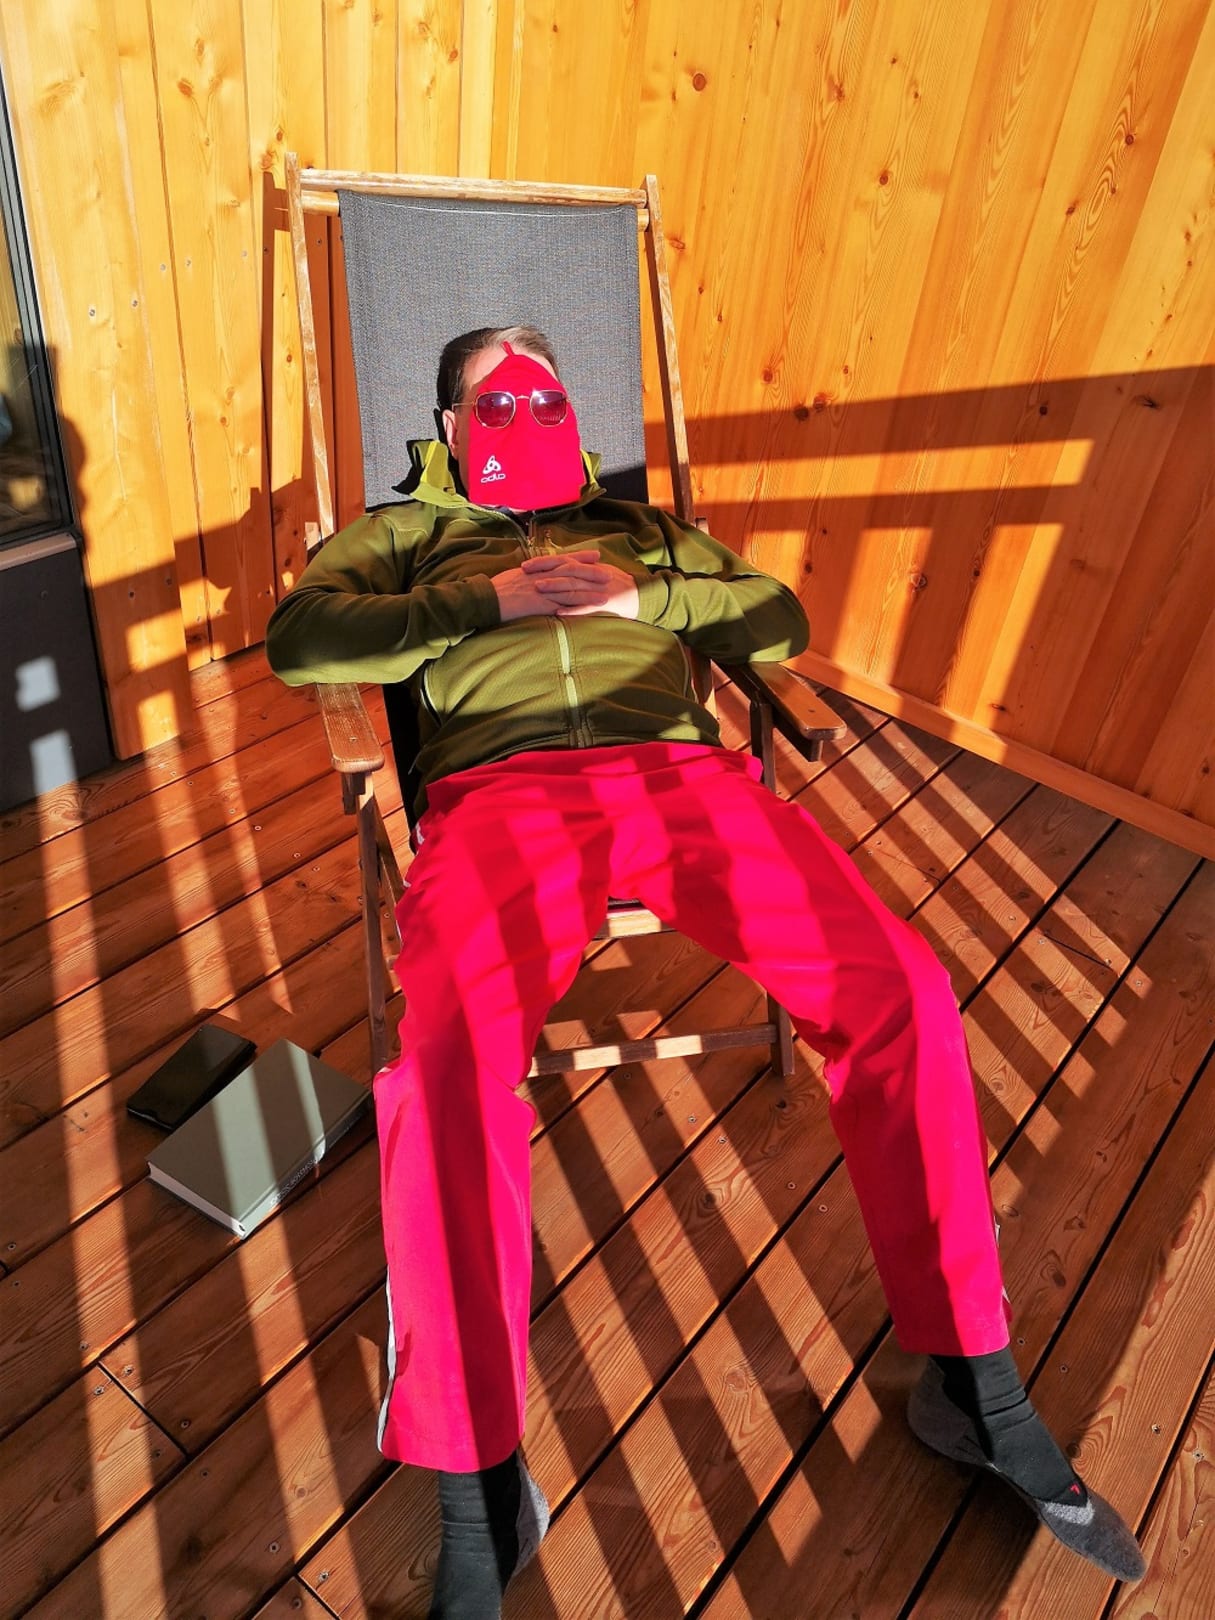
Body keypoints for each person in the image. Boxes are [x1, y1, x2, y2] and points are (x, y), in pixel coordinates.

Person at [266, 325, 1144, 1616]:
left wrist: (647, 600)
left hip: (682, 778)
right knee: (444, 1063)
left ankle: (976, 1383)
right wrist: (484, 604)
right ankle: (479, 1488)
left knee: (900, 988)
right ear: (449, 426)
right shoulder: (403, 534)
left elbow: (775, 621)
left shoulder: (638, 529)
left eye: (546, 394)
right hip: (502, 795)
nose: (527, 412)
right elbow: (303, 643)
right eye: (496, 398)